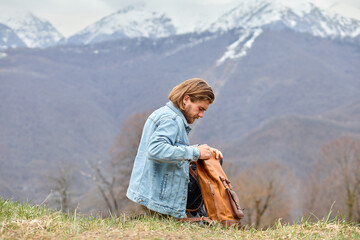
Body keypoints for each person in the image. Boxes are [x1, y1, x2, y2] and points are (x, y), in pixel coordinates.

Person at [126, 78, 223, 218]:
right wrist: (195, 152)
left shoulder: (167, 114)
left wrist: (202, 150)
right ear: (186, 99)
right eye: (200, 108)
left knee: (210, 160)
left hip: (152, 191)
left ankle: (200, 216)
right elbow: (156, 149)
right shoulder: (172, 119)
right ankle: (204, 216)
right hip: (159, 196)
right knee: (210, 167)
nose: (201, 115)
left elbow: (170, 146)